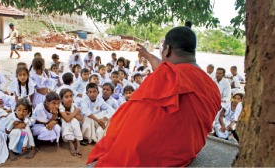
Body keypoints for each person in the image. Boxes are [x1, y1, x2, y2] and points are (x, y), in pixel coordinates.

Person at [87, 26, 221, 166]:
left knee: (123, 119)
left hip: (159, 157)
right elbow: (168, 69)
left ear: (167, 50)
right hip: (190, 150)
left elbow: (130, 120)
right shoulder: (211, 86)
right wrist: (147, 54)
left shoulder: (163, 76)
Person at [59, 89, 83, 156]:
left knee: (74, 121)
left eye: (71, 96)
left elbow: (80, 118)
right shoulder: (60, 106)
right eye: (66, 97)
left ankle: (78, 144)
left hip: (74, 123)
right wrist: (75, 112)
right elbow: (66, 119)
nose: (69, 99)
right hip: (63, 124)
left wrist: (70, 113)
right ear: (61, 99)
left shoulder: (74, 104)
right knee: (66, 121)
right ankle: (70, 143)